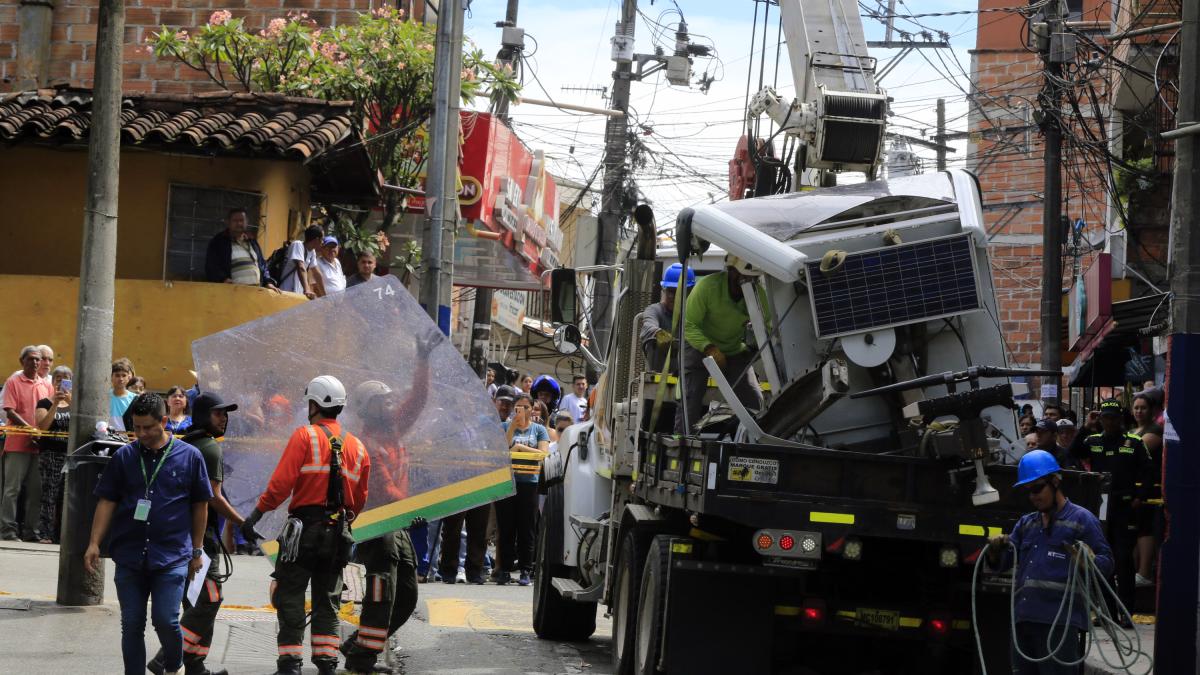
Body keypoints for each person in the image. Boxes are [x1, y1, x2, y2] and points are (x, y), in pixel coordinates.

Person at [240, 375, 370, 675]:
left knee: (291, 594)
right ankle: (326, 664)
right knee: (328, 600)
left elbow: (280, 486)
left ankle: (290, 664)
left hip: (303, 532)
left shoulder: (304, 436)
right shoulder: (359, 448)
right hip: (338, 534)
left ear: (314, 404)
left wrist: (255, 517)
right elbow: (359, 501)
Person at [85, 393, 213, 675]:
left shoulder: (190, 457)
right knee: (131, 623)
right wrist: (94, 542)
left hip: (172, 556)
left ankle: (173, 667)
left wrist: (196, 550)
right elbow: (107, 500)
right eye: (136, 427)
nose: (141, 433)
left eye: (147, 427)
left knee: (166, 621)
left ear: (164, 422)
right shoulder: (124, 457)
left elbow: (200, 506)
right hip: (129, 555)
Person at [340, 331, 437, 674]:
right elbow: (384, 493)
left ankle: (359, 644)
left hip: (398, 524)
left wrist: (422, 359)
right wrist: (419, 511)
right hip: (378, 527)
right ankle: (361, 659)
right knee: (381, 593)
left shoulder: (393, 430)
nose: (393, 404)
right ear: (368, 409)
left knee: (406, 597)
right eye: (384, 401)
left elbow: (419, 398)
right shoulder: (367, 444)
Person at [986, 450, 1114, 674]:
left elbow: (1107, 562)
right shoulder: (1026, 524)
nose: (1034, 496)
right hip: (1024, 619)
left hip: (1059, 624)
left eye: (1038, 488)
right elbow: (1003, 563)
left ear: (1055, 482)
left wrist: (1090, 562)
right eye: (1029, 491)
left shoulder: (1082, 520)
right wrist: (995, 553)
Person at [146, 391, 244, 675]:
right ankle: (166, 656)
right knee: (210, 599)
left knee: (196, 603)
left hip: (177, 535)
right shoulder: (210, 448)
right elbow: (213, 497)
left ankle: (195, 666)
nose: (224, 419)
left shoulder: (182, 443)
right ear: (203, 415)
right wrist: (242, 523)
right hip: (199, 539)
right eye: (218, 413)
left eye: (225, 414)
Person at [1069, 398, 1151, 625]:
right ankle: (1105, 612)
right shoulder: (1093, 439)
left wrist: (1139, 498)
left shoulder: (1134, 442)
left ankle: (1125, 614)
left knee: (1123, 560)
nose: (1110, 422)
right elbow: (1073, 451)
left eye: (1114, 418)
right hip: (1100, 505)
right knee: (1100, 557)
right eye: (1106, 418)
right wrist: (1086, 425)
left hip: (1125, 505)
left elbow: (1148, 472)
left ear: (1120, 419)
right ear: (1101, 419)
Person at [677, 254, 768, 433]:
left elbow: (769, 326)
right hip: (698, 347)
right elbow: (688, 325)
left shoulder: (758, 295)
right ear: (731, 271)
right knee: (691, 398)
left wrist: (759, 340)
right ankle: (682, 443)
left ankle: (754, 443)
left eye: (752, 278)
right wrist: (709, 348)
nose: (747, 282)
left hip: (733, 350)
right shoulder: (708, 287)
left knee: (754, 401)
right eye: (743, 276)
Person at [440, 386, 515, 585]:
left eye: (471, 401)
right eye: (464, 401)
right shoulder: (449, 424)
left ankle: (475, 571)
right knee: (452, 530)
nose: (468, 405)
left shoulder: (485, 425)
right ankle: (448, 570)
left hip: (480, 481)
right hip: (457, 481)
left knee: (479, 530)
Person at [496, 393, 549, 586]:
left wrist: (519, 447)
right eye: (518, 407)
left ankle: (526, 569)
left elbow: (543, 453)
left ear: (532, 409)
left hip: (529, 483)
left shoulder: (539, 429)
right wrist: (512, 427)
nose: (522, 411)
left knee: (527, 528)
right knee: (506, 527)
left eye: (526, 407)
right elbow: (502, 448)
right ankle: (504, 569)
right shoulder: (504, 426)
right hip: (508, 483)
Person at [1, 346, 53, 541]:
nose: (36, 362)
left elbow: (49, 412)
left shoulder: (46, 385)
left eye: (38, 359)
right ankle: (7, 531)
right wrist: (31, 429)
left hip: (39, 445)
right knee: (12, 489)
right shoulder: (13, 381)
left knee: (36, 490)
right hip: (17, 443)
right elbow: (10, 410)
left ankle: (31, 532)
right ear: (21, 361)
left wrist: (41, 432)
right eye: (31, 359)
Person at [34, 365, 72, 544]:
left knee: (68, 496)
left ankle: (63, 534)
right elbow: (43, 426)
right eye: (58, 378)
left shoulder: (76, 404)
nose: (61, 381)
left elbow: (83, 424)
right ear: (52, 381)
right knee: (49, 494)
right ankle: (45, 533)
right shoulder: (44, 402)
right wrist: (56, 404)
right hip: (50, 454)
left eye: (66, 378)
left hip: (70, 456)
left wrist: (72, 403)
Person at [1130, 391, 1163, 588]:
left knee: (1145, 529)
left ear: (1151, 410)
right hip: (1132, 488)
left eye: (1143, 408)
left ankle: (1144, 572)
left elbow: (1137, 451)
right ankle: (1132, 571)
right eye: (1136, 408)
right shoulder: (1132, 430)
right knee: (1132, 531)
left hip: (1149, 488)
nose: (1139, 411)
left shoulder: (1155, 429)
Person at [639, 262, 695, 373]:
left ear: (689, 292)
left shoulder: (694, 316)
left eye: (677, 292)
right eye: (670, 291)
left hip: (687, 379)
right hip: (656, 379)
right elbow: (648, 326)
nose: (671, 296)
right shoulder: (655, 310)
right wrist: (659, 334)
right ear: (664, 289)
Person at [205, 208, 277, 289]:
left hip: (256, 292)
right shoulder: (219, 241)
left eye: (242, 220)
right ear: (228, 222)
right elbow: (211, 265)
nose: (239, 223)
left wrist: (268, 282)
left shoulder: (252, 241)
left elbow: (262, 264)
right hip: (232, 293)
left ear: (246, 222)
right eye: (235, 220)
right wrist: (223, 279)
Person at [278, 225, 324, 298]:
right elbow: (301, 267)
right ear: (317, 240)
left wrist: (324, 296)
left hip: (297, 293)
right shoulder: (297, 244)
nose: (323, 242)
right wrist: (307, 289)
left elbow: (317, 273)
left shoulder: (312, 252)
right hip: (286, 291)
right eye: (322, 239)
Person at [110, 358, 138, 431]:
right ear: (111, 377)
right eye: (117, 375)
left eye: (124, 375)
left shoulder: (135, 399)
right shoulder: (104, 397)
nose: (121, 379)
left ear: (129, 377)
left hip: (127, 439)